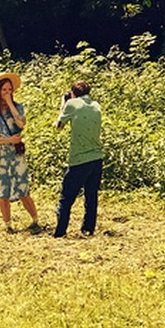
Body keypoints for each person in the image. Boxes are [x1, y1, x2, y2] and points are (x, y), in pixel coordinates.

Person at [0, 73, 41, 232]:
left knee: (23, 188)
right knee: (2, 191)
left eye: (10, 90)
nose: (7, 93)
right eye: (4, 90)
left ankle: (35, 220)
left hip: (17, 155)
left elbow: (21, 124)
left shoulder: (18, 107)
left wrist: (10, 103)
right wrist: (8, 140)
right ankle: (8, 225)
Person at [54, 80, 103, 237]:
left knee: (66, 198)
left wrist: (64, 103)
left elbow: (58, 127)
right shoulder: (96, 106)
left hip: (79, 159)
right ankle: (88, 229)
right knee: (91, 196)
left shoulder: (72, 104)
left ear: (73, 93)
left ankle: (60, 232)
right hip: (97, 157)